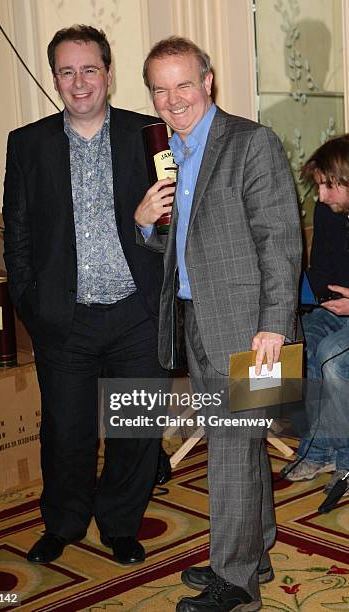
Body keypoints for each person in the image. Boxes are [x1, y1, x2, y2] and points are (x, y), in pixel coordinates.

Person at [135, 37, 302, 611]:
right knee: (242, 446)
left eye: (183, 84)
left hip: (253, 329)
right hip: (197, 320)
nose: (172, 98)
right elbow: (179, 244)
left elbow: (279, 241)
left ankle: (235, 585)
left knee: (231, 445)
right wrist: (146, 224)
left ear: (208, 81)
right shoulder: (168, 152)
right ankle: (251, 552)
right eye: (160, 88)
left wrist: (275, 325)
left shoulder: (251, 144)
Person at [3, 25, 166, 566]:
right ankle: (65, 524)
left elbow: (177, 225)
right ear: (55, 78)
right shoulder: (28, 144)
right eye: (66, 72)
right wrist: (32, 304)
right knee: (66, 434)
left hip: (136, 316)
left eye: (89, 69)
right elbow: (18, 233)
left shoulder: (151, 135)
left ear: (109, 73)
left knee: (134, 431)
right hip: (64, 320)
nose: (78, 82)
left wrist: (147, 229)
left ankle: (120, 523)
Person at [281, 136, 349, 498]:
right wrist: (325, 297)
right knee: (298, 340)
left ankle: (344, 457)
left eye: (327, 185)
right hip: (338, 308)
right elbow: (320, 268)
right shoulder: (328, 211)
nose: (320, 196)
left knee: (331, 360)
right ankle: (320, 451)